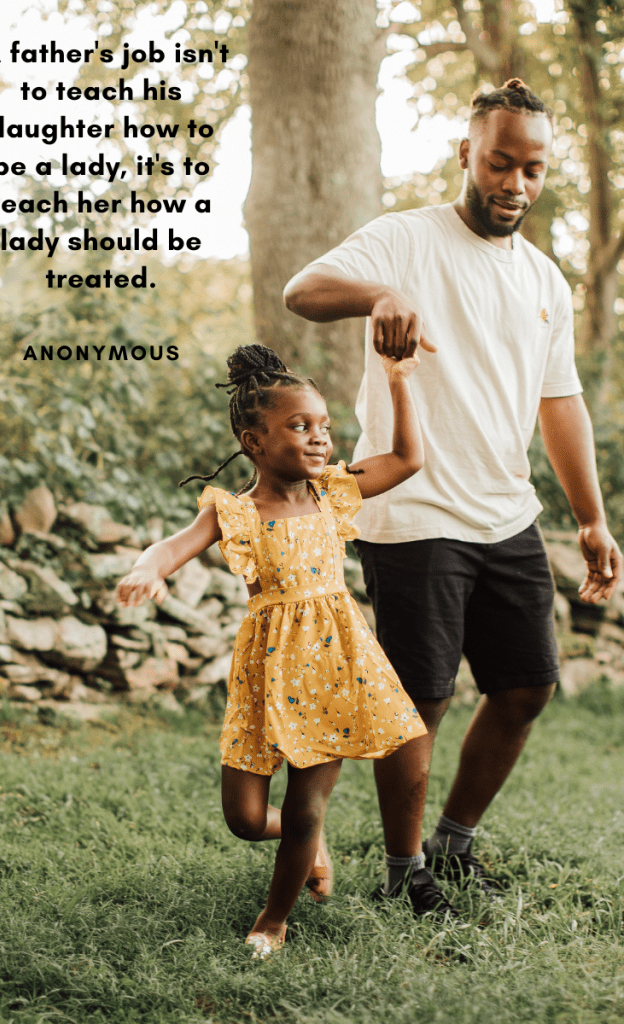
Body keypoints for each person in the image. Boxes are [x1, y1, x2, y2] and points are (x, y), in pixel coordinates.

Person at [283, 79, 622, 918]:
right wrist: (380, 294)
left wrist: (590, 516)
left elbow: (559, 402)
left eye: (532, 170)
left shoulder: (543, 276)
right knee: (421, 698)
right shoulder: (403, 239)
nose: (514, 183)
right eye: (500, 163)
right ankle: (404, 872)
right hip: (411, 505)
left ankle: (452, 843)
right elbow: (303, 292)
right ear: (464, 154)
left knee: (526, 687)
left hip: (505, 510)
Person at [116, 343, 428, 956]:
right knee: (246, 819)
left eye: (325, 427)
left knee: (307, 802)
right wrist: (148, 570)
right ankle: (306, 841)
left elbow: (408, 458)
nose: (319, 439)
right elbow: (170, 547)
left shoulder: (333, 493)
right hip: (265, 672)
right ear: (253, 440)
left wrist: (398, 379)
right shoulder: (234, 512)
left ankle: (273, 921)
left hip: (335, 665)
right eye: (299, 426)